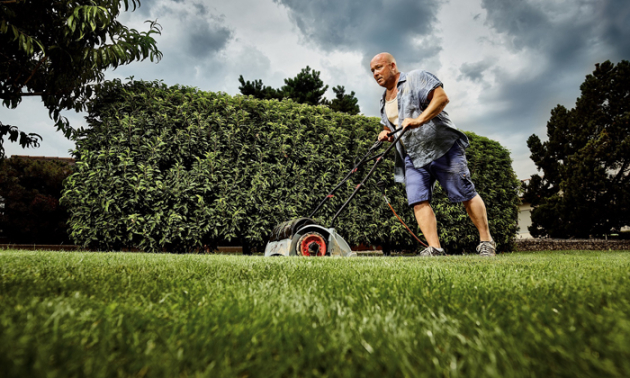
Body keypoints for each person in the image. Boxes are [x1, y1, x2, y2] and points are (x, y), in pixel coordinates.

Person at [370, 52, 495, 257]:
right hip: (413, 156)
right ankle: (434, 248)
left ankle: (486, 241)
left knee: (465, 192)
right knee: (417, 199)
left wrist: (419, 119)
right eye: (372, 70)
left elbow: (441, 98)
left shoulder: (416, 78)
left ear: (393, 66)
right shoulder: (384, 101)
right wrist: (385, 133)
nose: (375, 73)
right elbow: (392, 125)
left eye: (379, 67)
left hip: (442, 147)